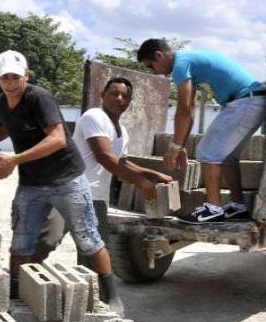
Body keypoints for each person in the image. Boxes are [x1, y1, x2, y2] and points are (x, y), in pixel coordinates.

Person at [0, 50, 124, 315]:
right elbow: (1, 128)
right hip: (32, 183)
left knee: (88, 239)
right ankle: (15, 293)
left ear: (26, 76)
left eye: (15, 77)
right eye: (5, 78)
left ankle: (113, 296)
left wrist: (15, 159)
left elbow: (57, 139)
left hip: (67, 179)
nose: (11, 83)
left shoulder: (39, 99)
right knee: (20, 242)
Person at [32, 77, 173, 267]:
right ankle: (15, 281)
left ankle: (91, 294)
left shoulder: (122, 130)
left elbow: (121, 161)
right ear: (102, 95)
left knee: (94, 254)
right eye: (114, 94)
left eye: (125, 96)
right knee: (47, 240)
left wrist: (152, 174)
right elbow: (105, 157)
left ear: (129, 102)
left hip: (96, 198)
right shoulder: (94, 117)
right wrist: (141, 183)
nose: (119, 99)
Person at [137, 38, 266, 224]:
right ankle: (238, 206)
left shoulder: (181, 65)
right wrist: (180, 145)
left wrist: (174, 146)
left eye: (151, 66)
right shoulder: (189, 61)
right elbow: (189, 110)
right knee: (226, 157)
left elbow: (183, 109)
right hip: (253, 100)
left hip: (245, 101)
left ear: (159, 55)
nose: (155, 72)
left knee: (207, 151)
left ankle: (213, 208)